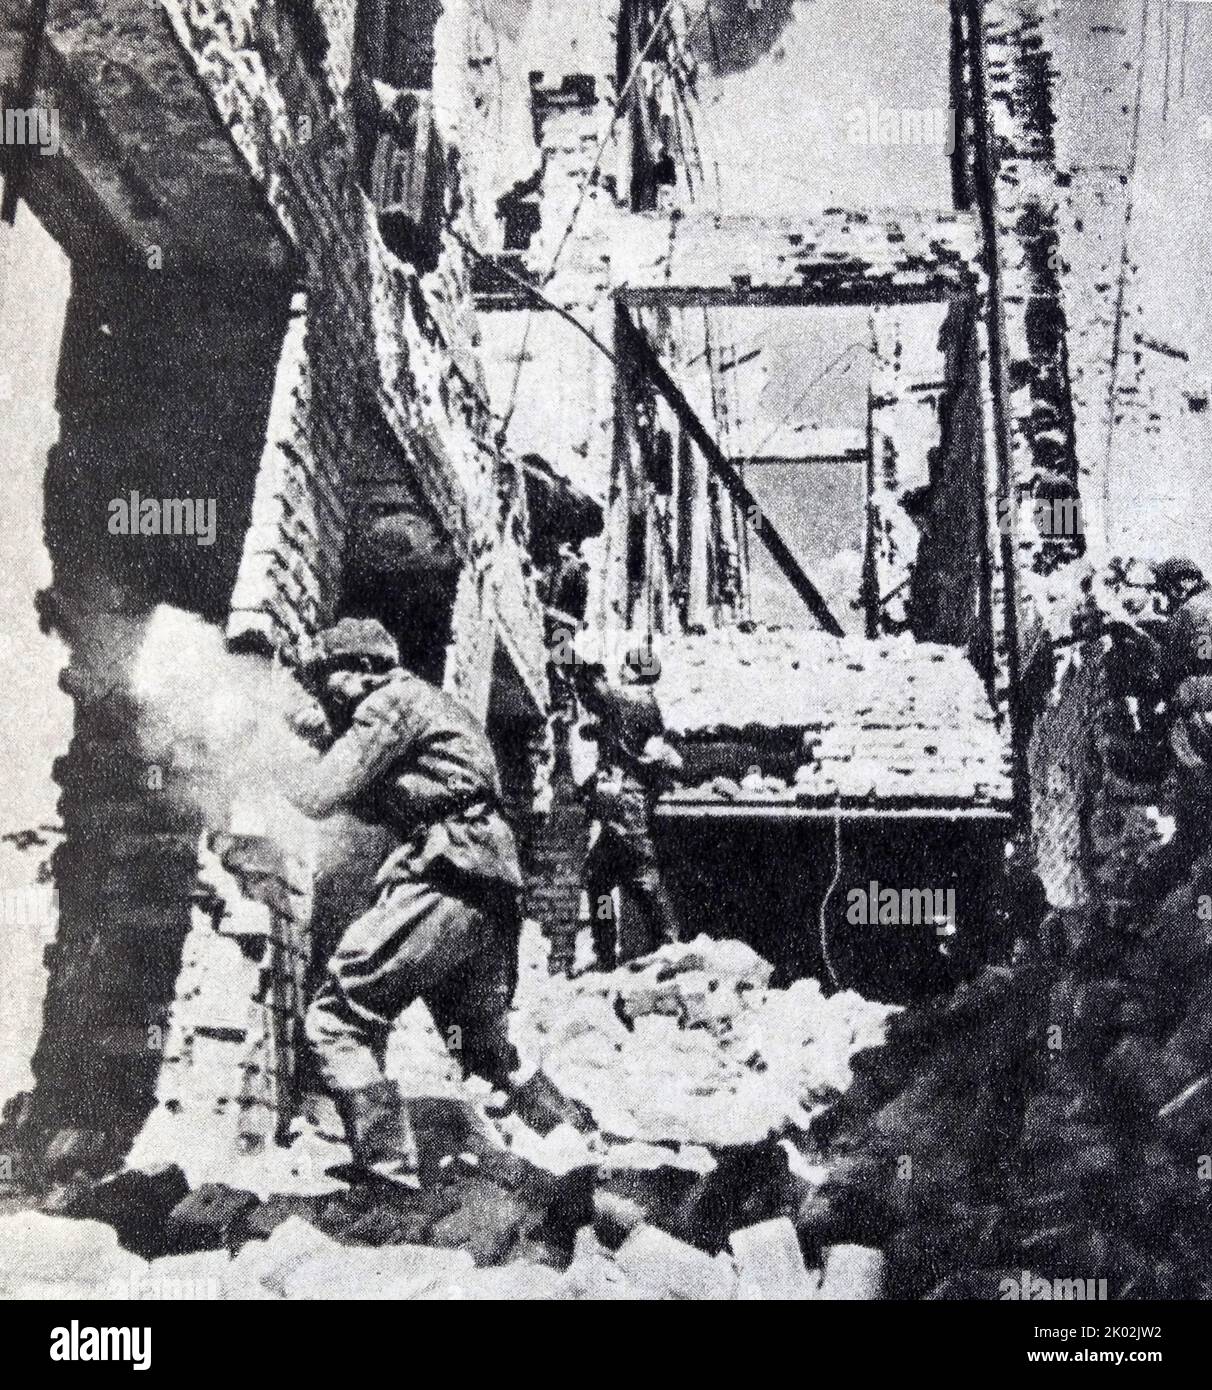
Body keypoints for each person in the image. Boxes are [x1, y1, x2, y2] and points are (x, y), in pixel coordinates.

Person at [285, 618, 587, 1184]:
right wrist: (327, 741)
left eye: (332, 677)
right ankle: (576, 1137)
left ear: (368, 668)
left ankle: (388, 1171)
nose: (327, 691)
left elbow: (319, 796)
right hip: (489, 885)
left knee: (335, 1020)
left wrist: (276, 751)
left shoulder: (388, 703)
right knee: (485, 1048)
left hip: (448, 873)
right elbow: (378, 804)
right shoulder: (431, 704)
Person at [572, 638, 684, 968]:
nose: (619, 670)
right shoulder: (643, 705)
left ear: (636, 673)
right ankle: (607, 953)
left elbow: (596, 692)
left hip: (626, 803)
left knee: (644, 877)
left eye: (626, 666)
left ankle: (670, 945)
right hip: (622, 803)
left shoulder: (630, 698)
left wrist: (570, 659)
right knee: (599, 879)